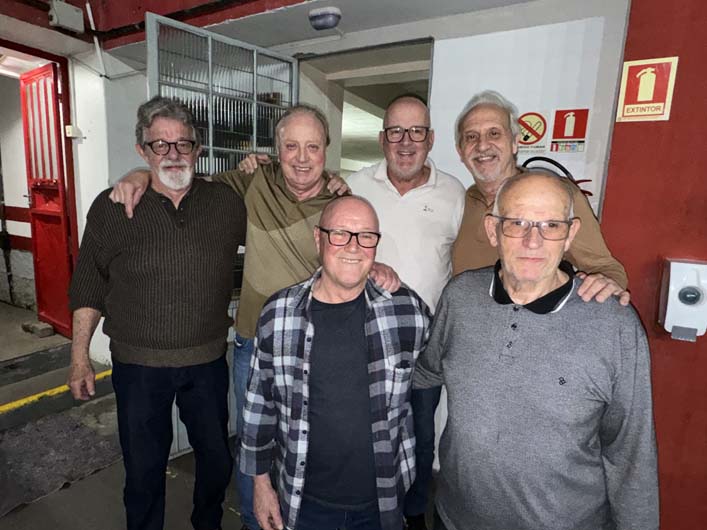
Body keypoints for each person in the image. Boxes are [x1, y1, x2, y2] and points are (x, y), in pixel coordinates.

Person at [110, 104, 398, 530]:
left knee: (307, 443)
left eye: (313, 147)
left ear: (326, 149)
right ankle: (252, 522)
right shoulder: (252, 181)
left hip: (319, 349)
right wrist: (139, 174)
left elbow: (355, 254)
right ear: (276, 149)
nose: (302, 158)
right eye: (291, 146)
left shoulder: (340, 201)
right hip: (253, 344)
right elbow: (181, 182)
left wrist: (378, 268)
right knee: (252, 443)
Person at [414, 171, 659, 530]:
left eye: (551, 225)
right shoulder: (460, 297)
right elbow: (425, 374)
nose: (533, 240)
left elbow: (631, 453)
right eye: (517, 223)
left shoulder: (614, 324)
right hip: (453, 518)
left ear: (571, 234)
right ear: (493, 230)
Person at [67, 96, 247, 530]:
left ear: (197, 150)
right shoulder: (112, 207)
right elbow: (89, 283)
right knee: (144, 471)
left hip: (206, 362)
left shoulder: (226, 204)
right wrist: (79, 358)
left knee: (217, 459)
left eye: (183, 144)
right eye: (159, 145)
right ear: (142, 150)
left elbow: (281, 207)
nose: (172, 154)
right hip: (138, 368)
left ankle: (207, 523)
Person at [240, 196, 431, 530]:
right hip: (304, 503)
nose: (353, 247)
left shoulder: (407, 311)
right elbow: (259, 408)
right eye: (340, 233)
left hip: (382, 503)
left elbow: (441, 367)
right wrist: (260, 484)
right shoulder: (279, 315)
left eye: (366, 236)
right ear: (319, 238)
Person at [345, 95, 464, 530]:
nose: (406, 141)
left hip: (426, 349)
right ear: (382, 139)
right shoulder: (355, 185)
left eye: (416, 131)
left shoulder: (454, 194)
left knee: (421, 436)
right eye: (396, 131)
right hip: (362, 343)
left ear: (430, 139)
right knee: (363, 433)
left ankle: (413, 513)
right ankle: (363, 509)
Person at [452, 90, 631, 305]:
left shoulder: (558, 195)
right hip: (468, 320)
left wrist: (607, 283)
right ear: (460, 151)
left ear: (515, 142)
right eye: (471, 137)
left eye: (494, 133)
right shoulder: (464, 199)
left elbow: (605, 268)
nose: (482, 145)